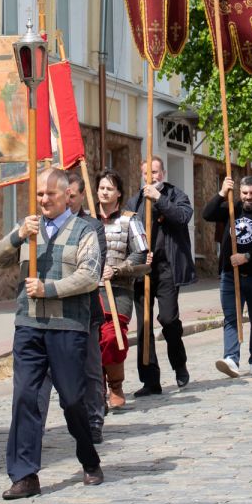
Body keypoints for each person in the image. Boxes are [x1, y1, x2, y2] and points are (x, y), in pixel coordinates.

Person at [0, 168, 103, 499]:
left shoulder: (83, 230)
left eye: (50, 194)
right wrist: (17, 236)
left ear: (67, 194)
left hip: (67, 327)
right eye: (39, 194)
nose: (43, 200)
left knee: (71, 400)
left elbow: (89, 275)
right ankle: (24, 475)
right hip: (28, 325)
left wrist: (48, 288)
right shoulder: (29, 228)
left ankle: (88, 457)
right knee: (25, 396)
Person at [31, 171, 110, 444]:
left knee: (89, 369)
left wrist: (51, 286)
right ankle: (34, 428)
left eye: (73, 196)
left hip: (83, 312)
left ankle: (94, 420)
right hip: (44, 315)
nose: (70, 201)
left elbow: (89, 270)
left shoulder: (91, 227)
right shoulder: (38, 226)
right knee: (40, 378)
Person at [126, 157, 194, 396]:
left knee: (167, 319)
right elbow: (126, 231)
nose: (151, 177)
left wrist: (159, 199)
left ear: (162, 172)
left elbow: (183, 217)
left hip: (167, 268)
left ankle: (179, 365)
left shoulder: (176, 195)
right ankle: (150, 380)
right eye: (147, 173)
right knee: (144, 325)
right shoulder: (134, 201)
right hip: (142, 269)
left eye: (155, 172)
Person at [204, 175, 252, 378]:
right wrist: (221, 193)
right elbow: (207, 214)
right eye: (244, 193)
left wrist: (247, 256)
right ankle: (231, 359)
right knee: (231, 318)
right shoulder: (232, 208)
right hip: (230, 274)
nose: (248, 197)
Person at [95, 169, 150, 411]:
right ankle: (98, 387)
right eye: (101, 188)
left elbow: (141, 256)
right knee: (92, 340)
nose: (104, 192)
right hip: (89, 290)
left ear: (118, 193)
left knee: (113, 339)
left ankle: (115, 385)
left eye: (109, 188)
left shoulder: (130, 220)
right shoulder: (86, 219)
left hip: (119, 290)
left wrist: (117, 270)